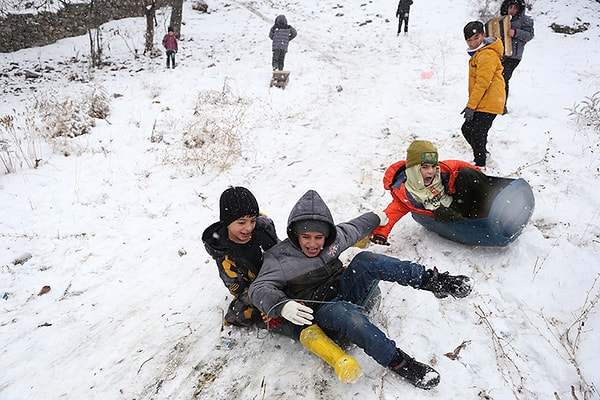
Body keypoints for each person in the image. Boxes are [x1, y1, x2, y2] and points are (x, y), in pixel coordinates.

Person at [249, 190, 472, 390]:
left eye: (318, 237)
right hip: (321, 308)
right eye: (305, 237)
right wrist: (282, 305)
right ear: (295, 235)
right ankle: (400, 362)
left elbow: (354, 228)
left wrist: (376, 217)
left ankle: (434, 282)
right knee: (347, 314)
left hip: (344, 287)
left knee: (366, 259)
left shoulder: (332, 241)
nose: (313, 244)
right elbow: (258, 289)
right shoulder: (279, 258)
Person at [371, 140, 494, 246]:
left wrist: (476, 172)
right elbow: (390, 215)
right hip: (450, 219)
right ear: (413, 169)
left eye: (433, 166)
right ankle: (474, 228)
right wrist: (380, 234)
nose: (431, 171)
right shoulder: (407, 194)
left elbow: (457, 164)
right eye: (424, 167)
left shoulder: (441, 171)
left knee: (467, 172)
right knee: (441, 212)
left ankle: (495, 199)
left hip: (459, 203)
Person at [202, 186, 280, 327]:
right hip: (255, 287)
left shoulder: (264, 228)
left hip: (278, 275)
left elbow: (280, 251)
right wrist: (264, 300)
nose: (249, 227)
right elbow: (240, 290)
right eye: (241, 222)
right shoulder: (226, 258)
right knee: (242, 313)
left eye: (252, 220)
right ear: (227, 222)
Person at [461, 21, 506, 168]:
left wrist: (470, 106)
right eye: (469, 40)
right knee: (467, 129)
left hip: (490, 100)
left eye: (476, 38)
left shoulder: (487, 54)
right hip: (484, 100)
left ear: (483, 35)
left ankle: (480, 166)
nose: (473, 42)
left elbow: (483, 83)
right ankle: (484, 156)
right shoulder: (479, 54)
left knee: (478, 133)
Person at [500, 0, 534, 110]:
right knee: (497, 78)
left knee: (504, 78)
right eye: (510, 8)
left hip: (514, 56)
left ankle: (502, 106)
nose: (512, 10)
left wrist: (515, 33)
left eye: (515, 8)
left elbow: (529, 35)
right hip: (501, 54)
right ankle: (495, 104)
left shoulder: (526, 20)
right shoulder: (502, 19)